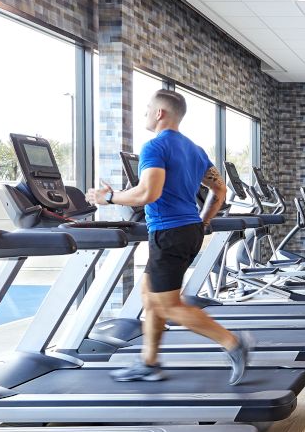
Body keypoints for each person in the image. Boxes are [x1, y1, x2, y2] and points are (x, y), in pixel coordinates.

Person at [87, 89, 249, 384]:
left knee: (168, 305)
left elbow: (149, 192)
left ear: (160, 113)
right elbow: (220, 190)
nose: (146, 113)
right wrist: (203, 221)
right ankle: (148, 362)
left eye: (148, 108)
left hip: (169, 233)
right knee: (150, 298)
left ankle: (233, 343)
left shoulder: (154, 147)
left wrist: (109, 198)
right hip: (188, 231)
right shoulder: (195, 150)